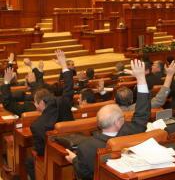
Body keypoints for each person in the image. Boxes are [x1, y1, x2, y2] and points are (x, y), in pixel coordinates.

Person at [65, 59, 151, 180]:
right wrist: (141, 78)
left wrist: (74, 160)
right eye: (122, 117)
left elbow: (84, 175)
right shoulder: (134, 130)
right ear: (117, 122)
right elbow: (143, 113)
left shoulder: (86, 147)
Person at [25, 50, 74, 180]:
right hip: (73, 151)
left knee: (30, 161)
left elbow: (41, 152)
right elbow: (69, 88)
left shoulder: (36, 125)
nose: (35, 106)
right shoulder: (63, 102)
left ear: (41, 103)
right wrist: (64, 65)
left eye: (35, 103)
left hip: (54, 160)